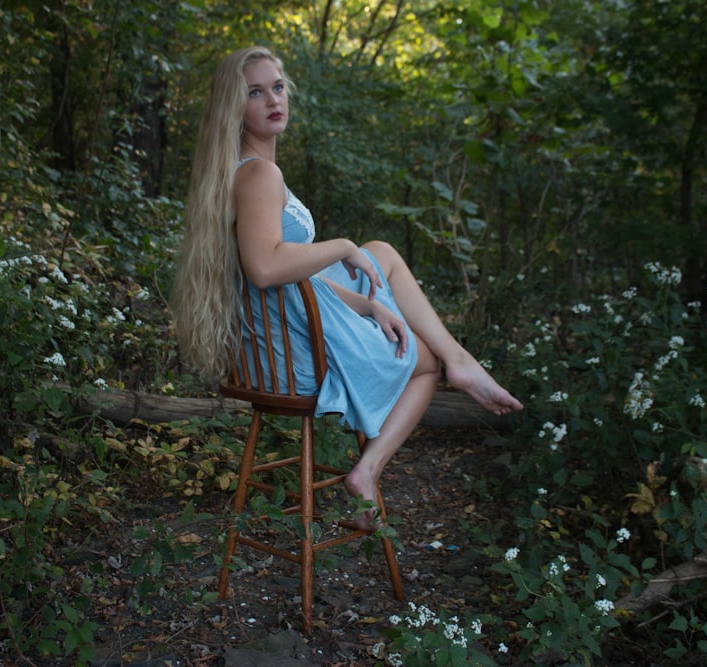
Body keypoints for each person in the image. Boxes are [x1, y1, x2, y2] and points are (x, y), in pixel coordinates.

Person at [171, 46, 523, 530]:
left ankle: (460, 362)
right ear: (235, 106)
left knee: (381, 253)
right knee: (426, 363)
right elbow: (265, 269)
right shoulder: (259, 175)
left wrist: (365, 305)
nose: (273, 99)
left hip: (281, 341)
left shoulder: (243, 171)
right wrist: (340, 246)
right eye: (255, 92)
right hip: (291, 361)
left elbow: (293, 280)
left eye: (277, 86)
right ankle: (369, 469)